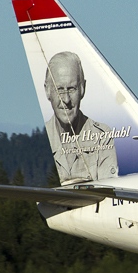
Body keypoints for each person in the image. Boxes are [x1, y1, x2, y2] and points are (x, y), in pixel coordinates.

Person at [43, 51, 119, 184]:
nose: (66, 99)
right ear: (48, 91)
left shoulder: (102, 136)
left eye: (72, 89)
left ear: (82, 89)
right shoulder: (43, 138)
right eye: (59, 89)